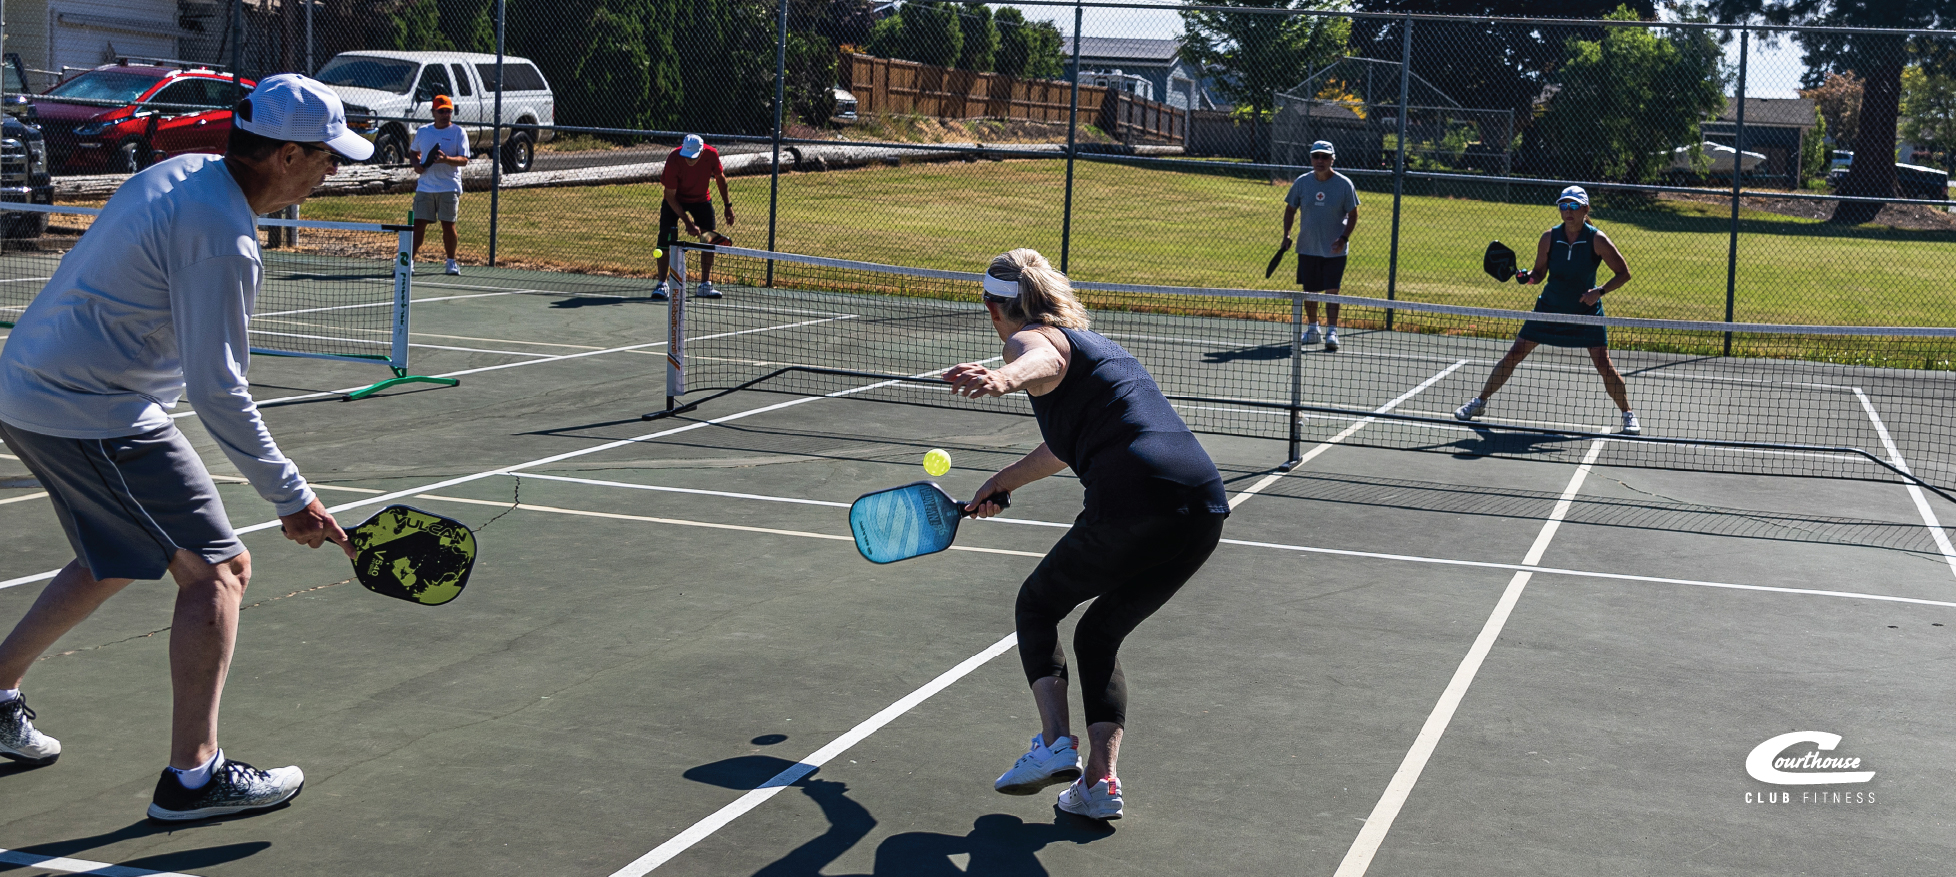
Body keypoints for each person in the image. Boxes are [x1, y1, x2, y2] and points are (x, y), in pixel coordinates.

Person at [0, 73, 363, 821]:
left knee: (119, 555)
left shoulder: (190, 175)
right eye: (329, 157)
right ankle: (193, 778)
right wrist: (294, 497)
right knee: (220, 569)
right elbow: (220, 389)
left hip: (35, 389)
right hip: (92, 408)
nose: (336, 171)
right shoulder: (221, 237)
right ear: (287, 156)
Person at [942, 249, 1230, 821]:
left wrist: (1002, 377)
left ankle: (1053, 743)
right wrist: (1002, 482)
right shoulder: (1102, 350)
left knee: (1037, 604)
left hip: (1133, 498)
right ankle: (1099, 784)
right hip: (1201, 506)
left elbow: (1036, 359)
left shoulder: (1030, 339)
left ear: (995, 307)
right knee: (1097, 636)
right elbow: (1061, 447)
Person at [1453, 185, 1641, 435]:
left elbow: (1624, 273)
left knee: (1603, 364)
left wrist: (1600, 291)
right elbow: (1539, 273)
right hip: (1548, 309)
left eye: (1574, 206)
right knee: (1514, 354)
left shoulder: (1597, 239)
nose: (1567, 211)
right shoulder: (1549, 237)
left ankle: (1628, 415)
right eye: (1563, 206)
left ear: (1585, 209)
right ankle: (1479, 403)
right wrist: (1527, 277)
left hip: (1585, 313)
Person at [1280, 139, 1359, 351]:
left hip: (1335, 250)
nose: (1320, 160)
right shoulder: (1302, 182)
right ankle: (1313, 329)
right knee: (1310, 291)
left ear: (1332, 159)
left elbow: (1353, 215)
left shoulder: (1344, 184)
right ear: (1311, 158)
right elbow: (1290, 209)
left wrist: (1343, 239)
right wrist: (1287, 235)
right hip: (1307, 248)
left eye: (1325, 156)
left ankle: (1332, 331)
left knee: (1332, 291)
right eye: (1316, 156)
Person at [653, 134, 734, 300]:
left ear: (702, 152)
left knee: (708, 238)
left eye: (693, 157)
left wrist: (727, 206)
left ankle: (705, 285)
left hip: (701, 200)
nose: (689, 160)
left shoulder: (711, 154)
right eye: (687, 156)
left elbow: (720, 178)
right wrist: (688, 223)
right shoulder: (673, 159)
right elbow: (669, 195)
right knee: (665, 239)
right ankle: (662, 284)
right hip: (674, 200)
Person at [410, 93, 470, 276]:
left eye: (449, 111)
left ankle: (451, 262)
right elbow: (414, 152)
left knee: (448, 225)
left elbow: (464, 159)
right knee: (418, 225)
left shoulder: (458, 132)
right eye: (442, 111)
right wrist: (416, 165)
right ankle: (408, 263)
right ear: (433, 112)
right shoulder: (423, 131)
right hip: (425, 187)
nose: (445, 115)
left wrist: (446, 159)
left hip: (449, 187)